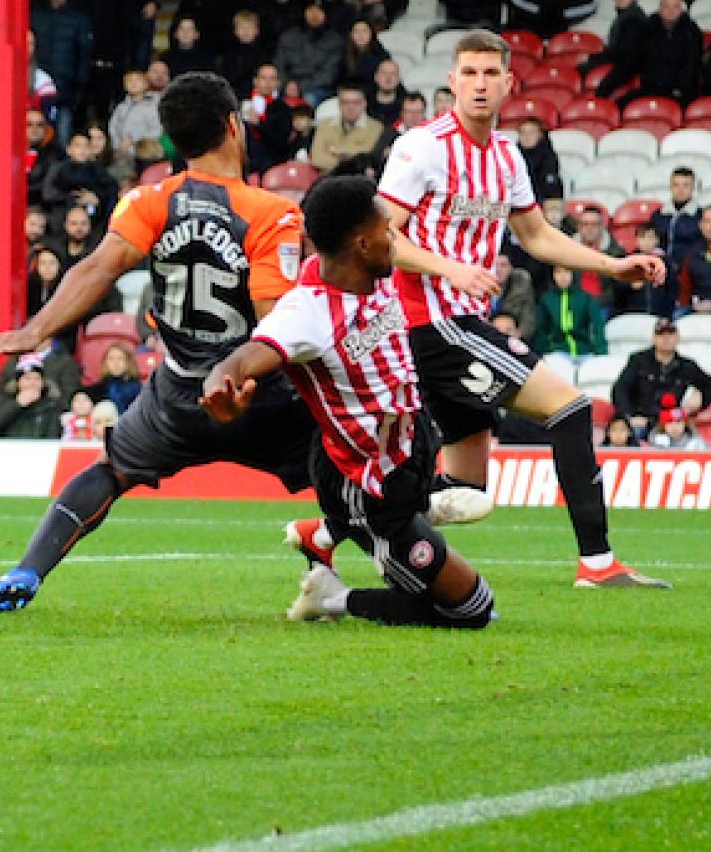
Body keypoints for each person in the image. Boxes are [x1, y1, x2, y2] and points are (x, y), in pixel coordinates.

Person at [0, 74, 308, 613]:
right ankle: (418, 575)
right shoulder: (271, 214)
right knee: (345, 466)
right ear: (233, 127)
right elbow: (276, 322)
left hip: (177, 397)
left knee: (110, 470)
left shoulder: (150, 200)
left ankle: (25, 574)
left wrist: (35, 330)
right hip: (255, 396)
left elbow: (95, 269)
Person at [372, 30, 671, 587]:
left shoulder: (507, 155)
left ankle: (337, 526)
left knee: (465, 493)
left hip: (461, 323)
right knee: (570, 407)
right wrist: (449, 268)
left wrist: (613, 266)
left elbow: (535, 235)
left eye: (490, 74)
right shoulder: (422, 147)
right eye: (469, 73)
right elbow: (379, 236)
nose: (479, 85)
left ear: (510, 83)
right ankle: (598, 564)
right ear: (451, 81)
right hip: (428, 322)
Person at [204, 176, 496, 630]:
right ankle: (332, 596)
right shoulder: (308, 312)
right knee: (474, 609)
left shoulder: (372, 269)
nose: (395, 237)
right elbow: (244, 358)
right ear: (362, 243)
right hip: (365, 482)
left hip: (409, 443)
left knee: (422, 525)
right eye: (387, 229)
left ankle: (342, 527)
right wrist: (221, 384)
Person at [611, 320, 711, 436]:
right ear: (654, 338)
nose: (666, 338)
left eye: (670, 334)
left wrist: (701, 397)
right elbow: (620, 389)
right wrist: (629, 417)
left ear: (678, 337)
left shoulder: (687, 366)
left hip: (671, 426)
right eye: (661, 334)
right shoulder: (638, 361)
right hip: (642, 424)